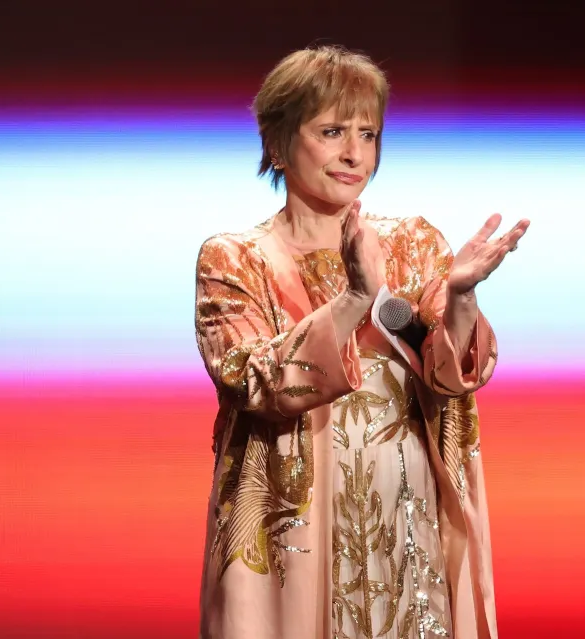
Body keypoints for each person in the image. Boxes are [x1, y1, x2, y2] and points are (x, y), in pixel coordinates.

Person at [194, 45, 529, 639]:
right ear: (277, 143)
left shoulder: (413, 243)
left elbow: (450, 374)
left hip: (404, 515)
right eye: (331, 131)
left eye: (368, 133)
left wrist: (462, 296)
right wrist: (353, 297)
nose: (355, 153)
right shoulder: (236, 257)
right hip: (293, 534)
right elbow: (255, 382)